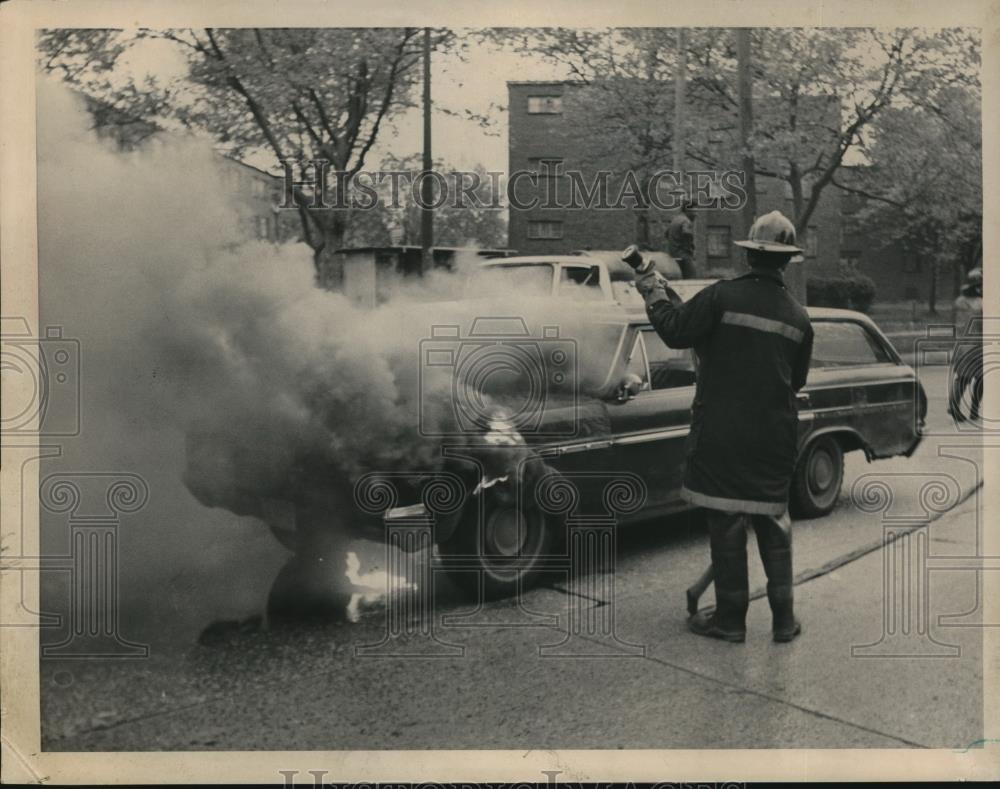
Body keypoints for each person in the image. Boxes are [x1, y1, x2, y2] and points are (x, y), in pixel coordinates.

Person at [624, 211, 814, 643]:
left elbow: (674, 329)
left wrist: (651, 286)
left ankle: (730, 620)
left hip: (723, 435)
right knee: (773, 522)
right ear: (785, 262)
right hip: (773, 438)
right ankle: (784, 621)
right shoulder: (799, 317)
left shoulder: (722, 297)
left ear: (750, 255)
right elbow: (795, 380)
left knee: (727, 523)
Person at [948, 267, 984, 423]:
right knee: (981, 378)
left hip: (960, 343)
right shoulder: (981, 304)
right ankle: (974, 409)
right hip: (977, 344)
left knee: (962, 378)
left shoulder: (958, 301)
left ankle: (954, 405)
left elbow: (951, 322)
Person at [666, 199, 697, 279]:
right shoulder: (686, 221)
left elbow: (666, 233)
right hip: (683, 256)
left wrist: (674, 243)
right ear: (688, 210)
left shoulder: (675, 220)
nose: (696, 214)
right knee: (691, 280)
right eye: (694, 212)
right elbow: (686, 233)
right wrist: (690, 249)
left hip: (672, 254)